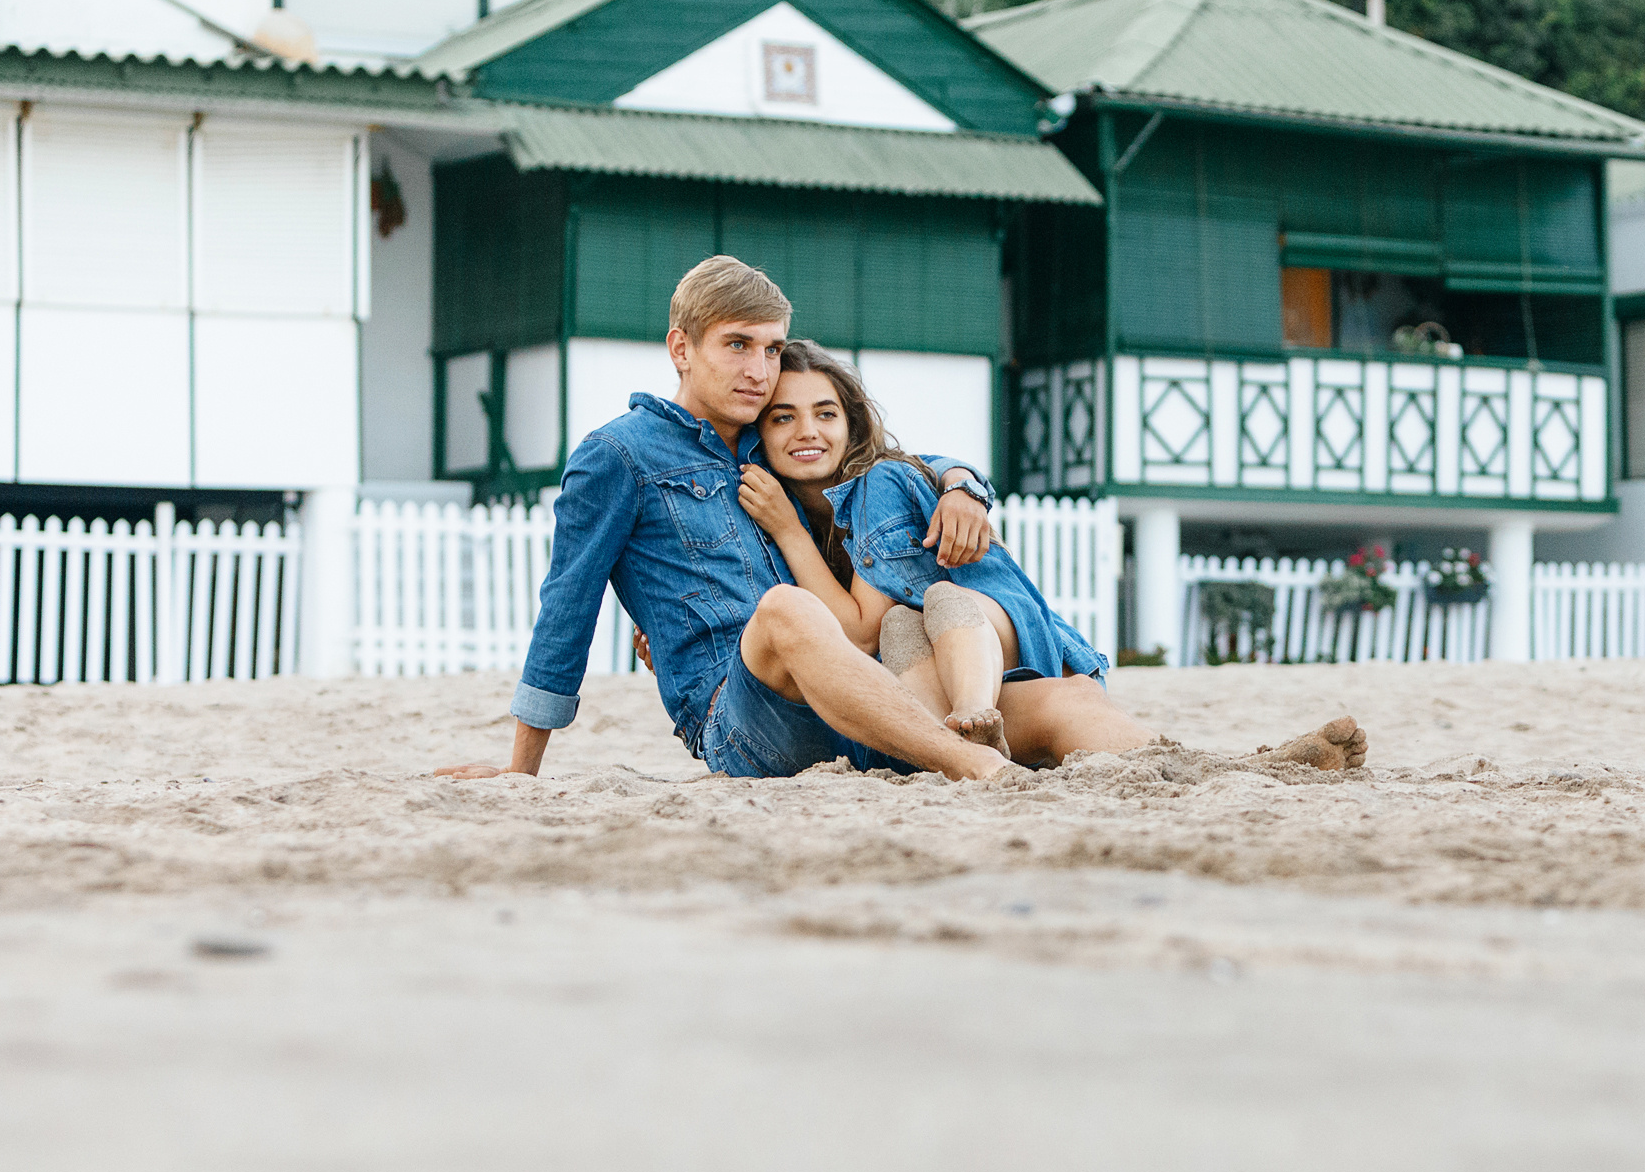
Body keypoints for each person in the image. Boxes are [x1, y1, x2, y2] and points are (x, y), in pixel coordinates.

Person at [434, 254, 1366, 783]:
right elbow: (565, 606)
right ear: (681, 347)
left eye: (768, 349)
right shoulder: (619, 454)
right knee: (787, 613)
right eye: (736, 348)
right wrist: (522, 770)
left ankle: (1233, 771)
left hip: (862, 694)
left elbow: (887, 458)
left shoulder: (764, 449)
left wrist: (963, 483)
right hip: (742, 717)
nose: (760, 371)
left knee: (1050, 703)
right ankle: (982, 775)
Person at [736, 341, 1116, 765]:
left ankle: (975, 714)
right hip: (931, 669)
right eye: (783, 417)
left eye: (826, 413)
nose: (807, 430)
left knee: (939, 601)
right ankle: (962, 744)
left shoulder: (876, 484)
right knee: (899, 625)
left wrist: (789, 531)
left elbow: (859, 634)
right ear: (759, 434)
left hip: (1005, 641)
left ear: (851, 425)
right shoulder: (780, 512)